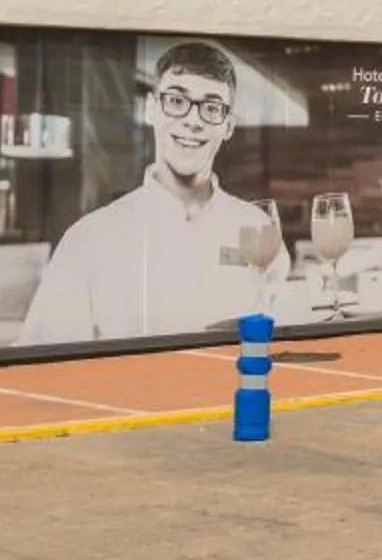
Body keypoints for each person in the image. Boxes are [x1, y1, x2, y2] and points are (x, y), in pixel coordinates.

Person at [18, 40, 289, 344]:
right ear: (150, 109)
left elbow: (285, 339)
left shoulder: (259, 229)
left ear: (227, 126)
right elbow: (48, 366)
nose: (192, 120)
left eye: (211, 108)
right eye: (176, 101)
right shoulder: (87, 240)